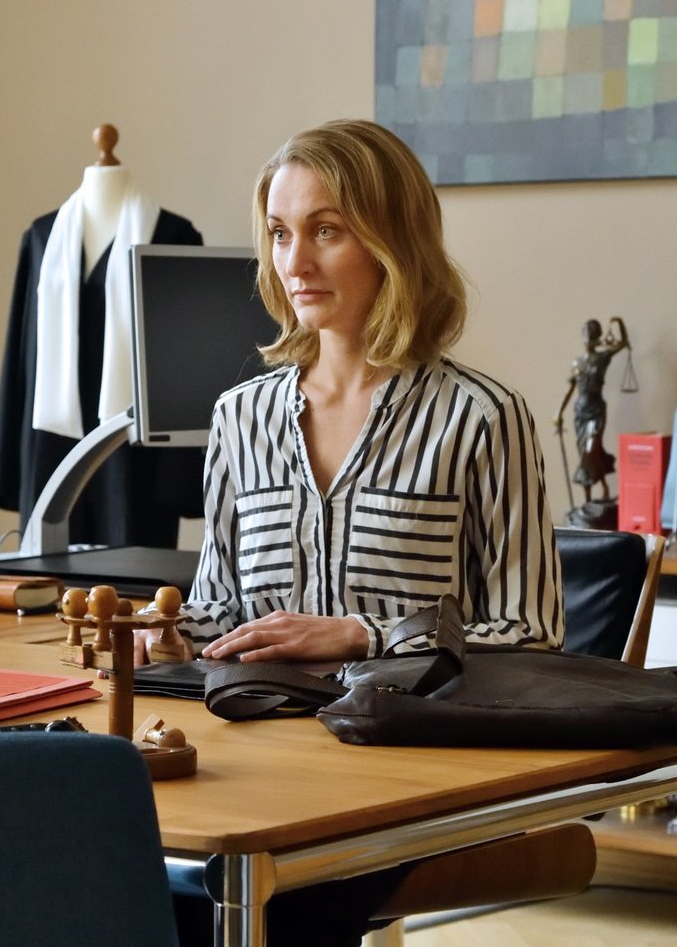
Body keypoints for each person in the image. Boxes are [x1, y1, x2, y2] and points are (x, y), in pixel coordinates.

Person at [148, 119, 563, 947]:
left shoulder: (483, 417)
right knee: (131, 878)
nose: (294, 263)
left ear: (392, 241)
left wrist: (362, 635)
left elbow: (533, 636)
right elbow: (221, 608)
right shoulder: (240, 417)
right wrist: (165, 635)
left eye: (326, 231)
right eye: (279, 234)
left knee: (275, 908)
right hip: (263, 760)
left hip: (410, 769)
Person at [553, 317, 630, 504]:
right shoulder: (577, 363)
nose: (587, 341)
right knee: (585, 454)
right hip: (580, 411)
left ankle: (602, 487)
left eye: (591, 338)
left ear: (596, 339)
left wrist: (618, 322)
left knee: (590, 449)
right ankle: (588, 500)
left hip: (596, 410)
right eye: (586, 337)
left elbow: (623, 343)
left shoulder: (603, 358)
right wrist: (559, 412)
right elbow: (569, 389)